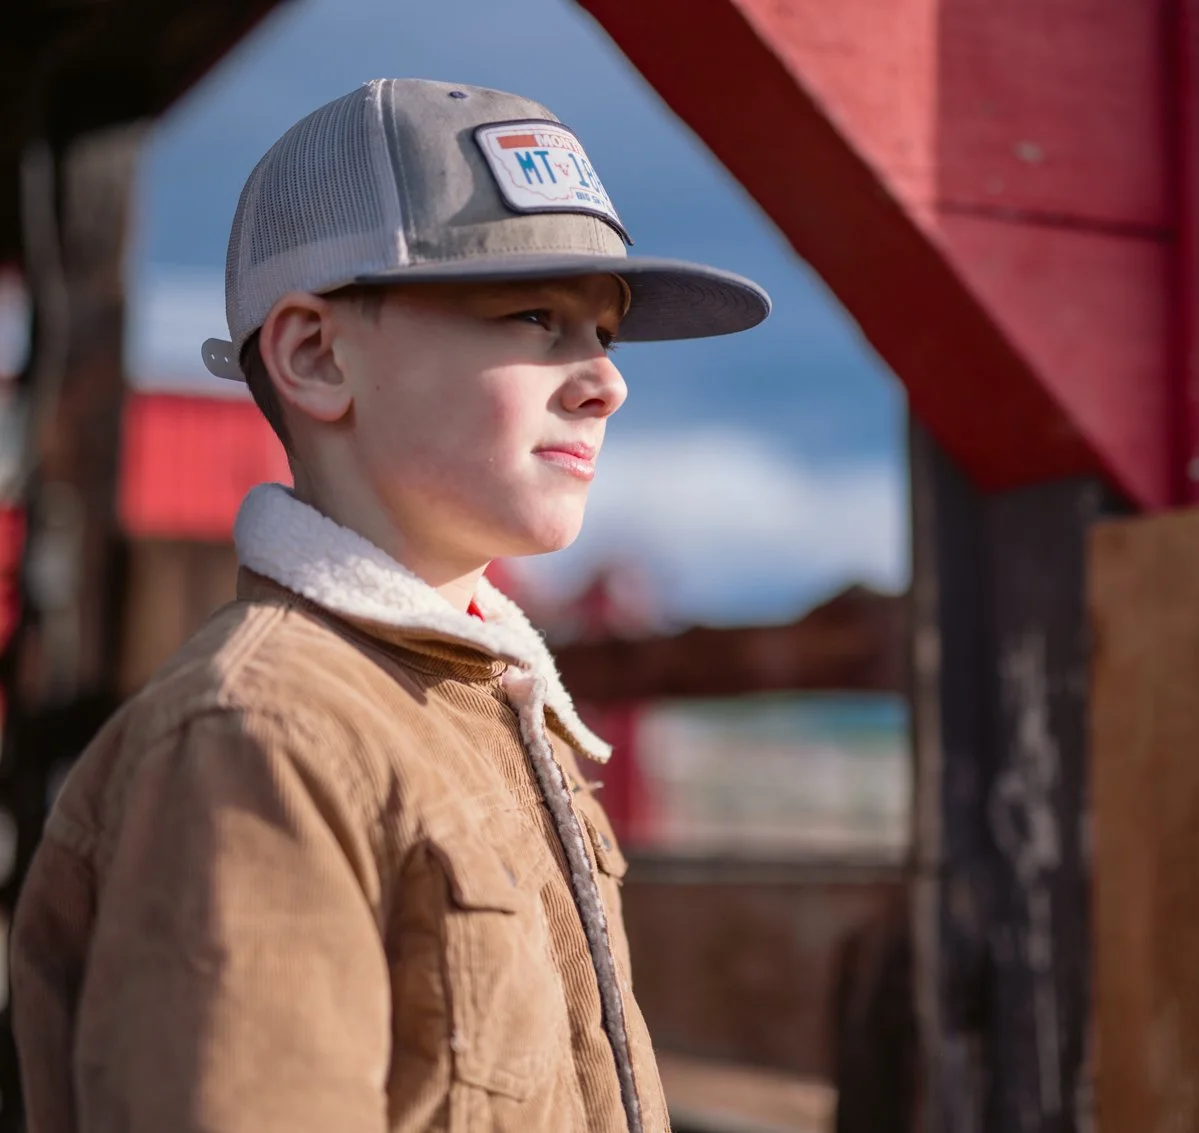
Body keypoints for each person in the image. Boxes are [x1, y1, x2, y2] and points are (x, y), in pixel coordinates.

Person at [9, 78, 768, 1133]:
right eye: (535, 315)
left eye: (605, 330)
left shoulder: (484, 708)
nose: (606, 380)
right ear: (316, 354)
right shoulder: (259, 740)